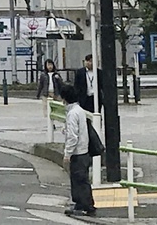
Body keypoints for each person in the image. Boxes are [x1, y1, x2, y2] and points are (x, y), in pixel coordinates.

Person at [61, 83, 97, 217]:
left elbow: (72, 136)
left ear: (65, 98)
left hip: (78, 153)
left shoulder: (72, 114)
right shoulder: (80, 110)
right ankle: (84, 204)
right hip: (85, 151)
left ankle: (84, 206)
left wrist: (67, 154)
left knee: (78, 181)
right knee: (82, 180)